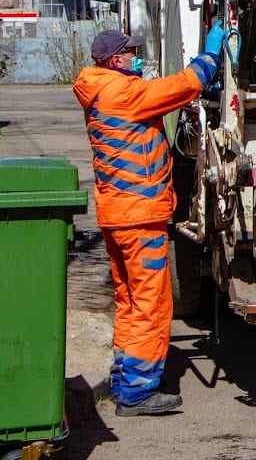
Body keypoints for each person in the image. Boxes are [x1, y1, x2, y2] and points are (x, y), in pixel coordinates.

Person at [73, 24, 225, 416]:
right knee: (151, 304)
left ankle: (125, 376)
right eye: (132, 54)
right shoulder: (124, 92)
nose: (137, 58)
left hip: (117, 215)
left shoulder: (101, 90)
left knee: (128, 300)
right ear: (115, 60)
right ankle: (138, 392)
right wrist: (212, 53)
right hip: (139, 216)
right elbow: (185, 83)